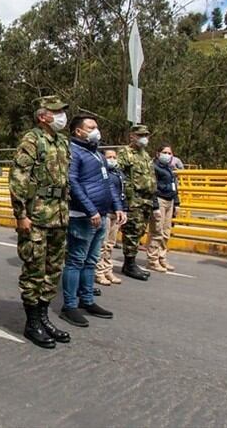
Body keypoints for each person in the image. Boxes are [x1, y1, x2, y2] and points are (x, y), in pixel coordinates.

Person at [9, 96, 71, 348]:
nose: (61, 116)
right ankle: (32, 322)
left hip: (59, 215)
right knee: (34, 269)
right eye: (56, 112)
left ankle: (44, 317)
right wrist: (20, 214)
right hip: (36, 215)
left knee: (53, 269)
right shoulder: (32, 140)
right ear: (42, 116)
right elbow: (18, 178)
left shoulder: (63, 142)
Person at [59, 115, 124, 327]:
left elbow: (109, 184)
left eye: (96, 126)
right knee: (76, 260)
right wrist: (90, 210)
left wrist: (117, 207)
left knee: (91, 261)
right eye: (91, 127)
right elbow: (73, 182)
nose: (97, 130)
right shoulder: (73, 152)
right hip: (82, 216)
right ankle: (69, 306)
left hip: (101, 215)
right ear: (79, 131)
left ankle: (87, 300)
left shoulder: (96, 153)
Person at [119, 124, 158, 281]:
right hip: (133, 198)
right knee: (132, 231)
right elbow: (118, 173)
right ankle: (129, 263)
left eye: (146, 135)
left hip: (146, 199)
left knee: (140, 230)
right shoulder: (126, 153)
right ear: (132, 136)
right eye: (141, 135)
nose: (144, 138)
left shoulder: (145, 155)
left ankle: (131, 262)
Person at [146, 144, 180, 273]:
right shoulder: (153, 168)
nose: (167, 155)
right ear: (158, 154)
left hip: (170, 200)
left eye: (170, 153)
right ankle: (153, 260)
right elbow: (152, 187)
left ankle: (162, 257)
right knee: (157, 230)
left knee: (166, 231)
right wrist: (155, 206)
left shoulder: (170, 169)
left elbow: (174, 187)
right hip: (160, 199)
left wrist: (177, 203)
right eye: (164, 152)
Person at [96, 149, 126, 286]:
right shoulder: (102, 173)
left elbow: (122, 194)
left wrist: (123, 209)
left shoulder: (118, 174)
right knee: (102, 244)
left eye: (114, 157)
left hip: (116, 213)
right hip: (106, 212)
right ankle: (99, 271)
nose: (112, 159)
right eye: (109, 157)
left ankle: (108, 269)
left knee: (110, 245)